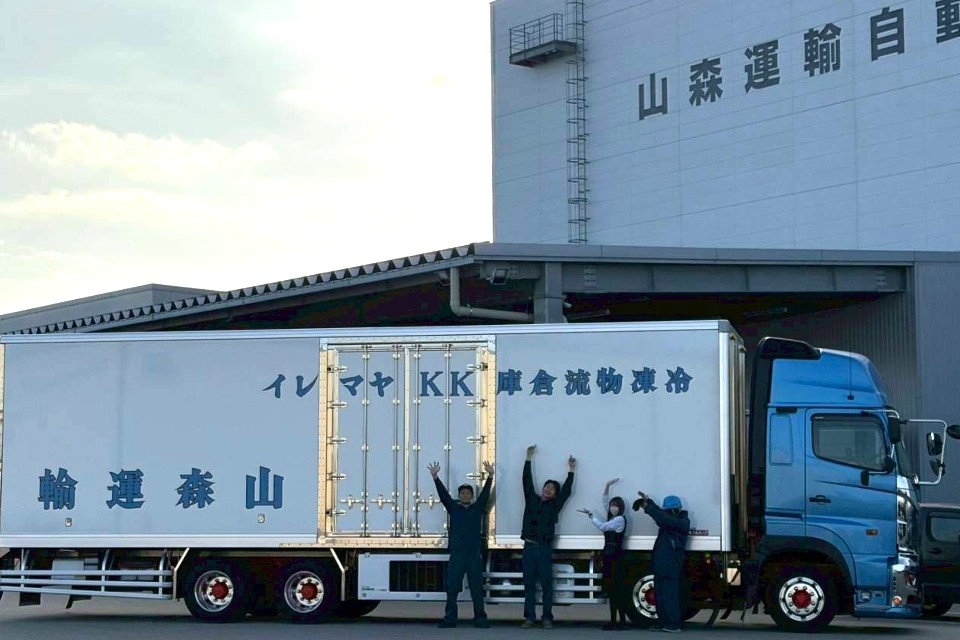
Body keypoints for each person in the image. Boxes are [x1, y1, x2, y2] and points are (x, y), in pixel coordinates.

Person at [429, 459, 495, 629]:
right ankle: (450, 619)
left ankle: (480, 619)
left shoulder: (477, 509)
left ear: (472, 496)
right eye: (462, 493)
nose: (465, 495)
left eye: (468, 493)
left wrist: (490, 476)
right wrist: (435, 477)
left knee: (476, 588)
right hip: (457, 554)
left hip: (473, 554)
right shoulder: (454, 508)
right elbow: (443, 495)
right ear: (459, 496)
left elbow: (485, 495)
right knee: (452, 588)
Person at [521, 444, 576, 630]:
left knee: (546, 585)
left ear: (555, 494)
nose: (548, 489)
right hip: (529, 548)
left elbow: (566, 491)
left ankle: (547, 618)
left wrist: (571, 471)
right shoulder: (532, 500)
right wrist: (528, 459)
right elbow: (526, 481)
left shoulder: (554, 506)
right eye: (547, 486)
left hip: (544, 548)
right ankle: (529, 618)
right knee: (529, 585)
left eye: (552, 488)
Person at [633, 491, 689, 633]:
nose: (668, 513)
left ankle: (673, 624)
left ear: (676, 510)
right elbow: (662, 516)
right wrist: (649, 502)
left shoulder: (681, 523)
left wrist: (648, 507)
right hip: (662, 564)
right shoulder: (671, 522)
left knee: (669, 595)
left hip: (670, 565)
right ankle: (664, 622)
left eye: (670, 510)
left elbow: (663, 517)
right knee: (660, 595)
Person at [579, 478, 629, 630]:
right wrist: (607, 485)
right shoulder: (614, 517)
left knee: (615, 589)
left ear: (620, 508)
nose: (612, 507)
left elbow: (602, 526)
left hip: (614, 557)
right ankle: (616, 621)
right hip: (610, 555)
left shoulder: (619, 520)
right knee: (613, 589)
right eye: (612, 505)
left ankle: (619, 621)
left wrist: (591, 515)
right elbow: (605, 501)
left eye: (616, 505)